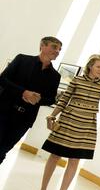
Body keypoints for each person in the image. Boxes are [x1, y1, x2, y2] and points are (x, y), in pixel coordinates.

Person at [31, 54, 100, 190]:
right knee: (54, 156)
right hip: (67, 122)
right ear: (90, 66)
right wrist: (52, 115)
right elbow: (64, 99)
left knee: (74, 161)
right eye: (98, 67)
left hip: (86, 127)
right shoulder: (77, 80)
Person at [0, 36, 62, 165]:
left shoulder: (55, 76)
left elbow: (51, 99)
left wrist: (37, 100)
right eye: (54, 47)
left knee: (2, 151)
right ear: (42, 46)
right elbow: (3, 79)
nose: (57, 51)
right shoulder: (22, 59)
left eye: (59, 49)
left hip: (24, 120)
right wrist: (24, 92)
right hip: (3, 111)